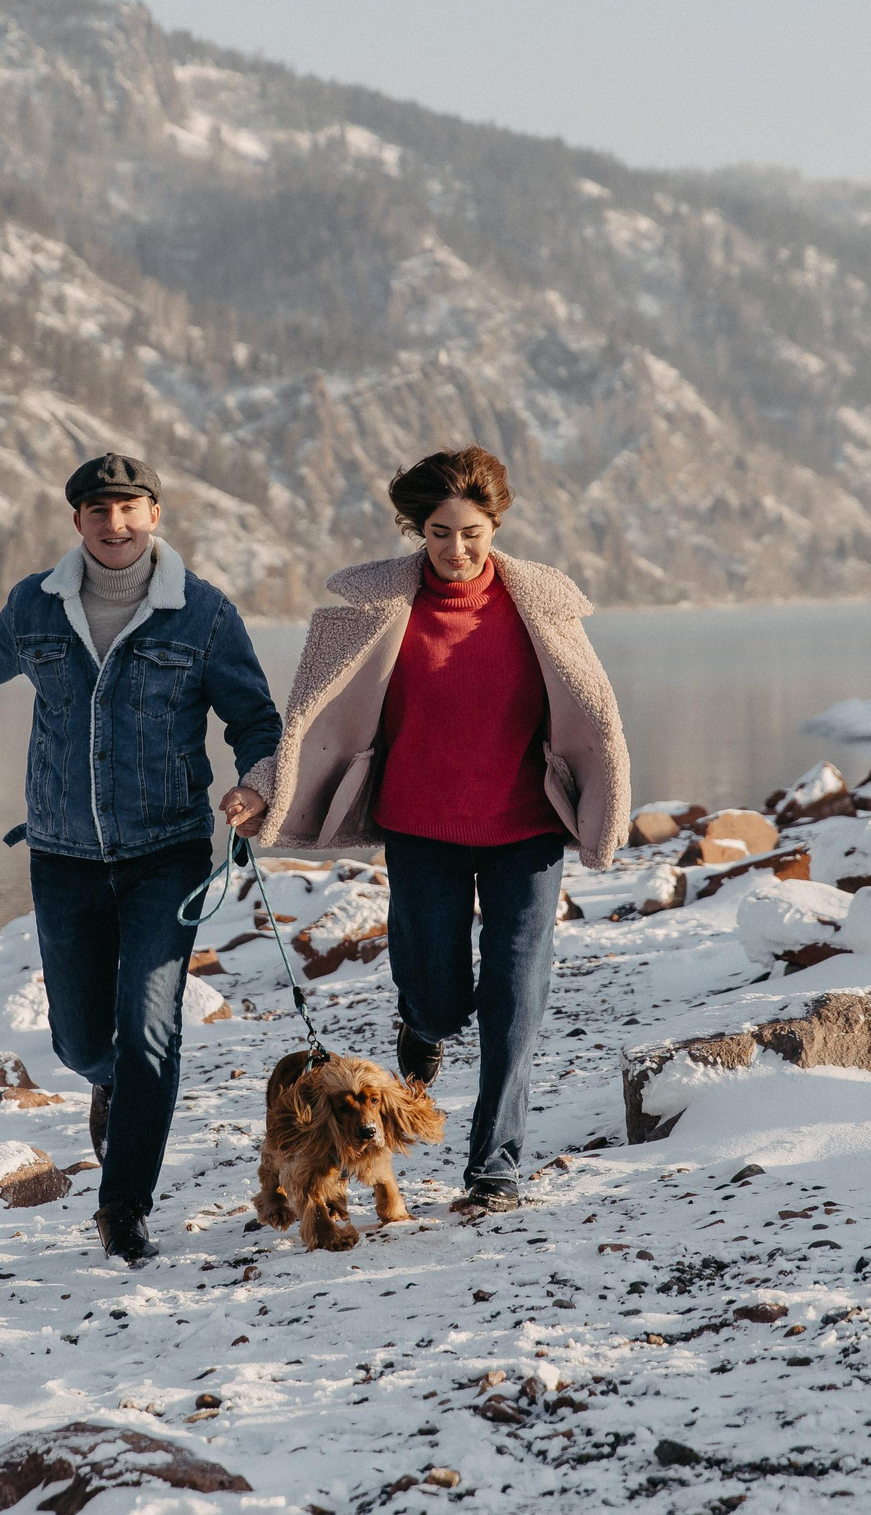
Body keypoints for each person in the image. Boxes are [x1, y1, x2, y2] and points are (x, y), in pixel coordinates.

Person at [0, 452, 279, 1264]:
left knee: (152, 1031)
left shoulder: (204, 615)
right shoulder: (37, 607)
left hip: (167, 852)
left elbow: (258, 722)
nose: (116, 524)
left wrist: (256, 787)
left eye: (131, 508)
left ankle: (124, 1207)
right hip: (64, 853)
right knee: (80, 1042)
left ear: (156, 516)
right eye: (99, 511)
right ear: (77, 521)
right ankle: (111, 1083)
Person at [248, 446, 627, 1215]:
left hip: (525, 829)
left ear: (497, 526)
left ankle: (495, 1166)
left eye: (473, 532)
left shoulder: (539, 607)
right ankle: (420, 1026)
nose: (457, 549)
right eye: (440, 532)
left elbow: (597, 716)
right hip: (420, 829)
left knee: (515, 997)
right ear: (417, 530)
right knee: (437, 998)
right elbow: (309, 724)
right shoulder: (378, 612)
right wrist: (259, 789)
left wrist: (605, 804)